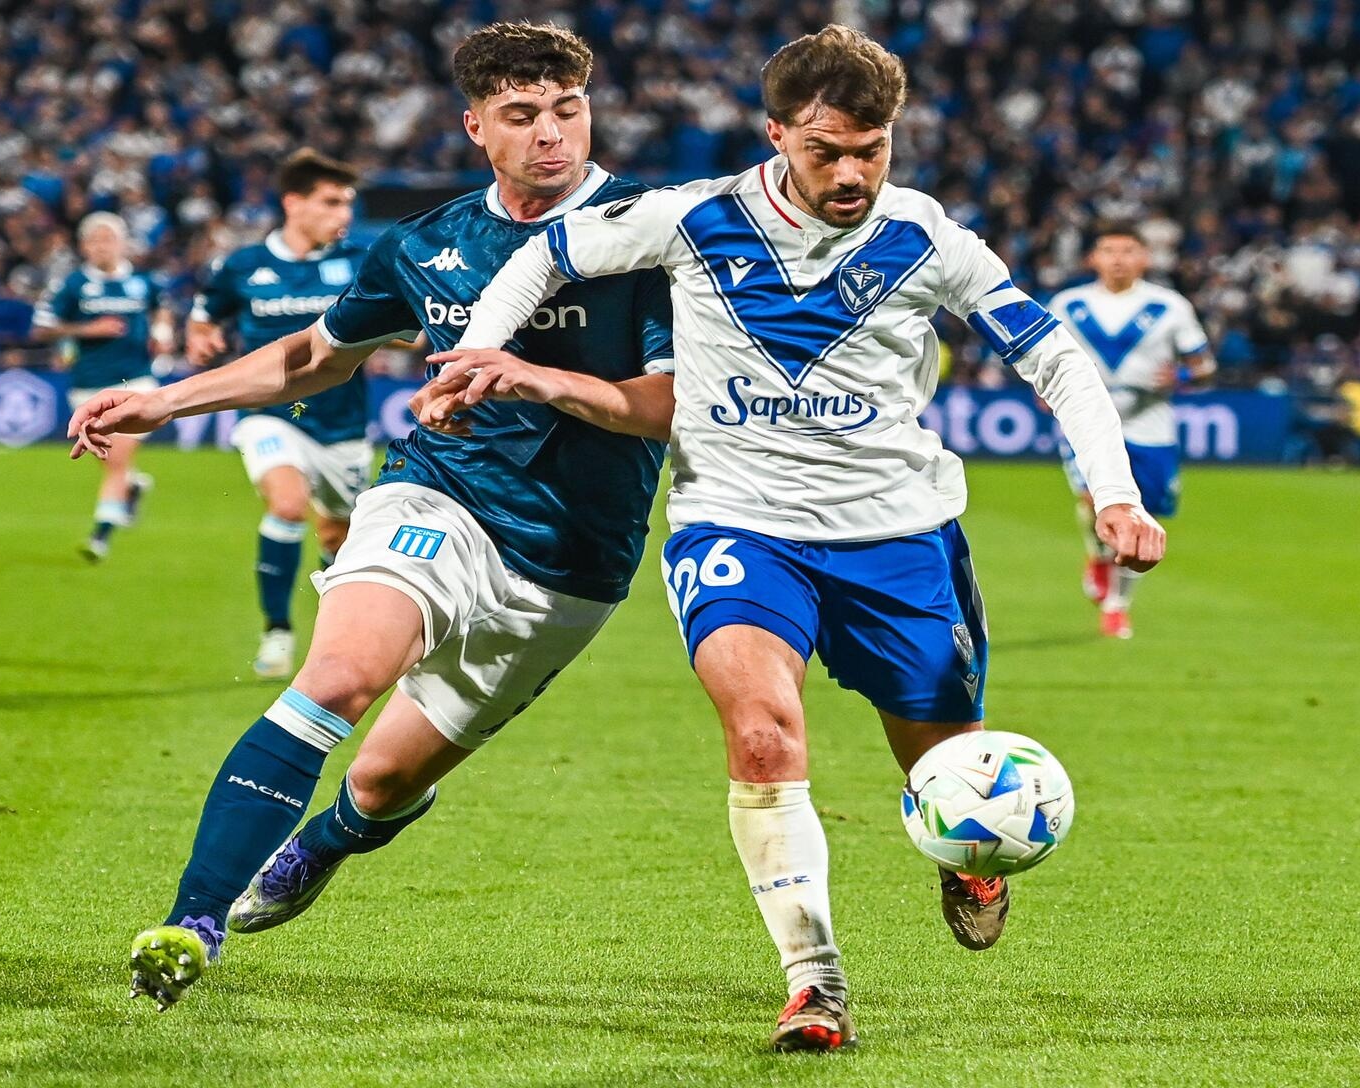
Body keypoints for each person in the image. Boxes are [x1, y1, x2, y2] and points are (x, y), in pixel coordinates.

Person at [422, 24, 1162, 1051]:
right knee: (764, 733)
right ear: (777, 135)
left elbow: (1057, 358)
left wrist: (1115, 493)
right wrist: (476, 350)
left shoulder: (929, 238)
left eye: (872, 150)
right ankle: (815, 982)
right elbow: (547, 253)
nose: (853, 174)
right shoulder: (695, 217)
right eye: (827, 152)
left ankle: (971, 850)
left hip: (899, 535)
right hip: (738, 522)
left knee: (948, 768)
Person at [65, 22, 674, 1012]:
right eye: (522, 114)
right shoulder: (425, 245)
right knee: (339, 678)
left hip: (573, 557)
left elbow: (671, 406)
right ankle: (191, 921)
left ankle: (329, 839)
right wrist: (166, 399)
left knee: (384, 784)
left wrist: (532, 377)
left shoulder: (654, 235)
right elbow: (318, 354)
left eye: (568, 110)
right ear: (476, 127)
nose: (551, 134)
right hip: (439, 496)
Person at [188, 148, 373, 678]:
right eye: (331, 202)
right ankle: (277, 632)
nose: (343, 214)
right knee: (288, 505)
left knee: (337, 537)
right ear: (294, 203)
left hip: (341, 424)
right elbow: (203, 317)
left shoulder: (361, 264)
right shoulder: (242, 266)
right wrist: (200, 338)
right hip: (268, 413)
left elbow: (409, 330)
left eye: (347, 203)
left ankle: (332, 637)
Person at [1047, 223, 1213, 639]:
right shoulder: (1068, 304)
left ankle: (1119, 600)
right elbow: (1041, 355)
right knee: (1093, 497)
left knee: (1143, 517)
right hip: (1087, 418)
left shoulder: (1169, 306)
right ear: (1093, 258)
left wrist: (1180, 376)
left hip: (1150, 424)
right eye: (1109, 250)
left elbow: (1205, 365)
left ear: (1144, 258)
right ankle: (1105, 577)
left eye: (1128, 250)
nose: (1118, 259)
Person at [32, 212, 164, 561]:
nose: (102, 246)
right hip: (88, 384)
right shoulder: (72, 284)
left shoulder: (143, 281)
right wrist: (87, 330)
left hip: (135, 381)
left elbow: (162, 310)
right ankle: (132, 487)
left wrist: (162, 334)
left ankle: (100, 535)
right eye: (95, 240)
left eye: (108, 239)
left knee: (116, 458)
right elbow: (42, 327)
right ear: (84, 246)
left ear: (122, 244)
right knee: (110, 460)